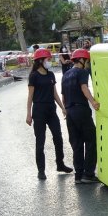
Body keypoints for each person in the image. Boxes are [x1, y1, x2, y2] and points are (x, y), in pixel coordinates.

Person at [26, 48, 73, 180]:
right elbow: (30, 96)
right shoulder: (34, 76)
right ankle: (41, 170)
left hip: (51, 111)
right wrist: (28, 114)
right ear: (40, 61)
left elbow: (54, 93)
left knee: (58, 137)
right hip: (39, 111)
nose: (49, 61)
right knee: (40, 141)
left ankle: (60, 164)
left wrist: (62, 107)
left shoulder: (51, 75)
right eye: (47, 59)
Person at [61, 49, 100, 184]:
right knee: (91, 140)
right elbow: (84, 87)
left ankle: (78, 175)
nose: (88, 63)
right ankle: (88, 174)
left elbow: (64, 95)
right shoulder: (82, 72)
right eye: (87, 61)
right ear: (82, 60)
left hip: (70, 112)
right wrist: (93, 101)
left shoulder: (66, 74)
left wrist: (65, 110)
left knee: (76, 144)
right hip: (81, 110)